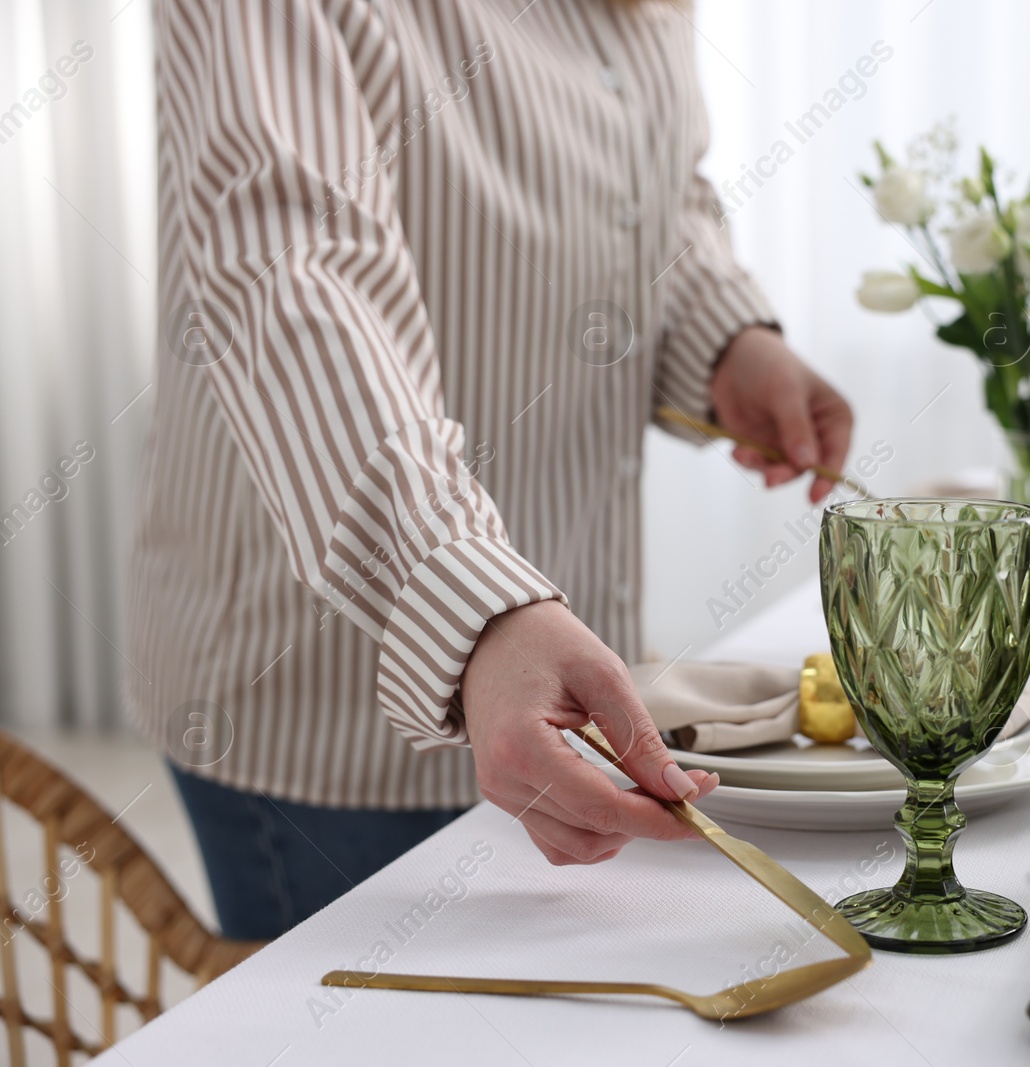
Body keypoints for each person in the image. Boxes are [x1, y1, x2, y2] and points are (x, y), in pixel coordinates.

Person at [129, 0, 852, 941]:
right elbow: (291, 272)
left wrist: (725, 336)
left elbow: (657, 187)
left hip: (556, 667)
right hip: (326, 688)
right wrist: (470, 603)